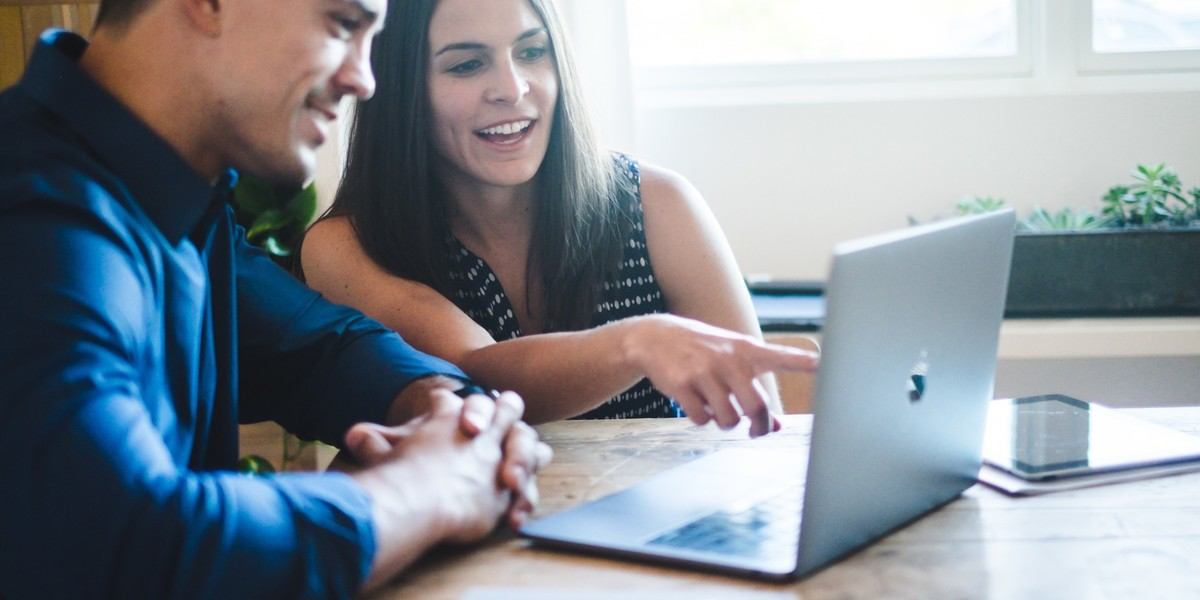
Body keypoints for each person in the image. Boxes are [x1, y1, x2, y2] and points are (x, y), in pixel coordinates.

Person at [0, 0, 552, 598]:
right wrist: (424, 489)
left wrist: (456, 415)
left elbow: (318, 350)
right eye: (343, 24)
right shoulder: (29, 210)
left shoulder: (164, 195)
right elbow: (126, 541)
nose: (365, 81)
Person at [300, 0, 819, 438]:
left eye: (531, 52)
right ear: (398, 90)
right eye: (467, 65)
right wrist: (640, 341)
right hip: (478, 526)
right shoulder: (348, 244)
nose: (513, 88)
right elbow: (477, 376)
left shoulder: (659, 203)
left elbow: (756, 426)